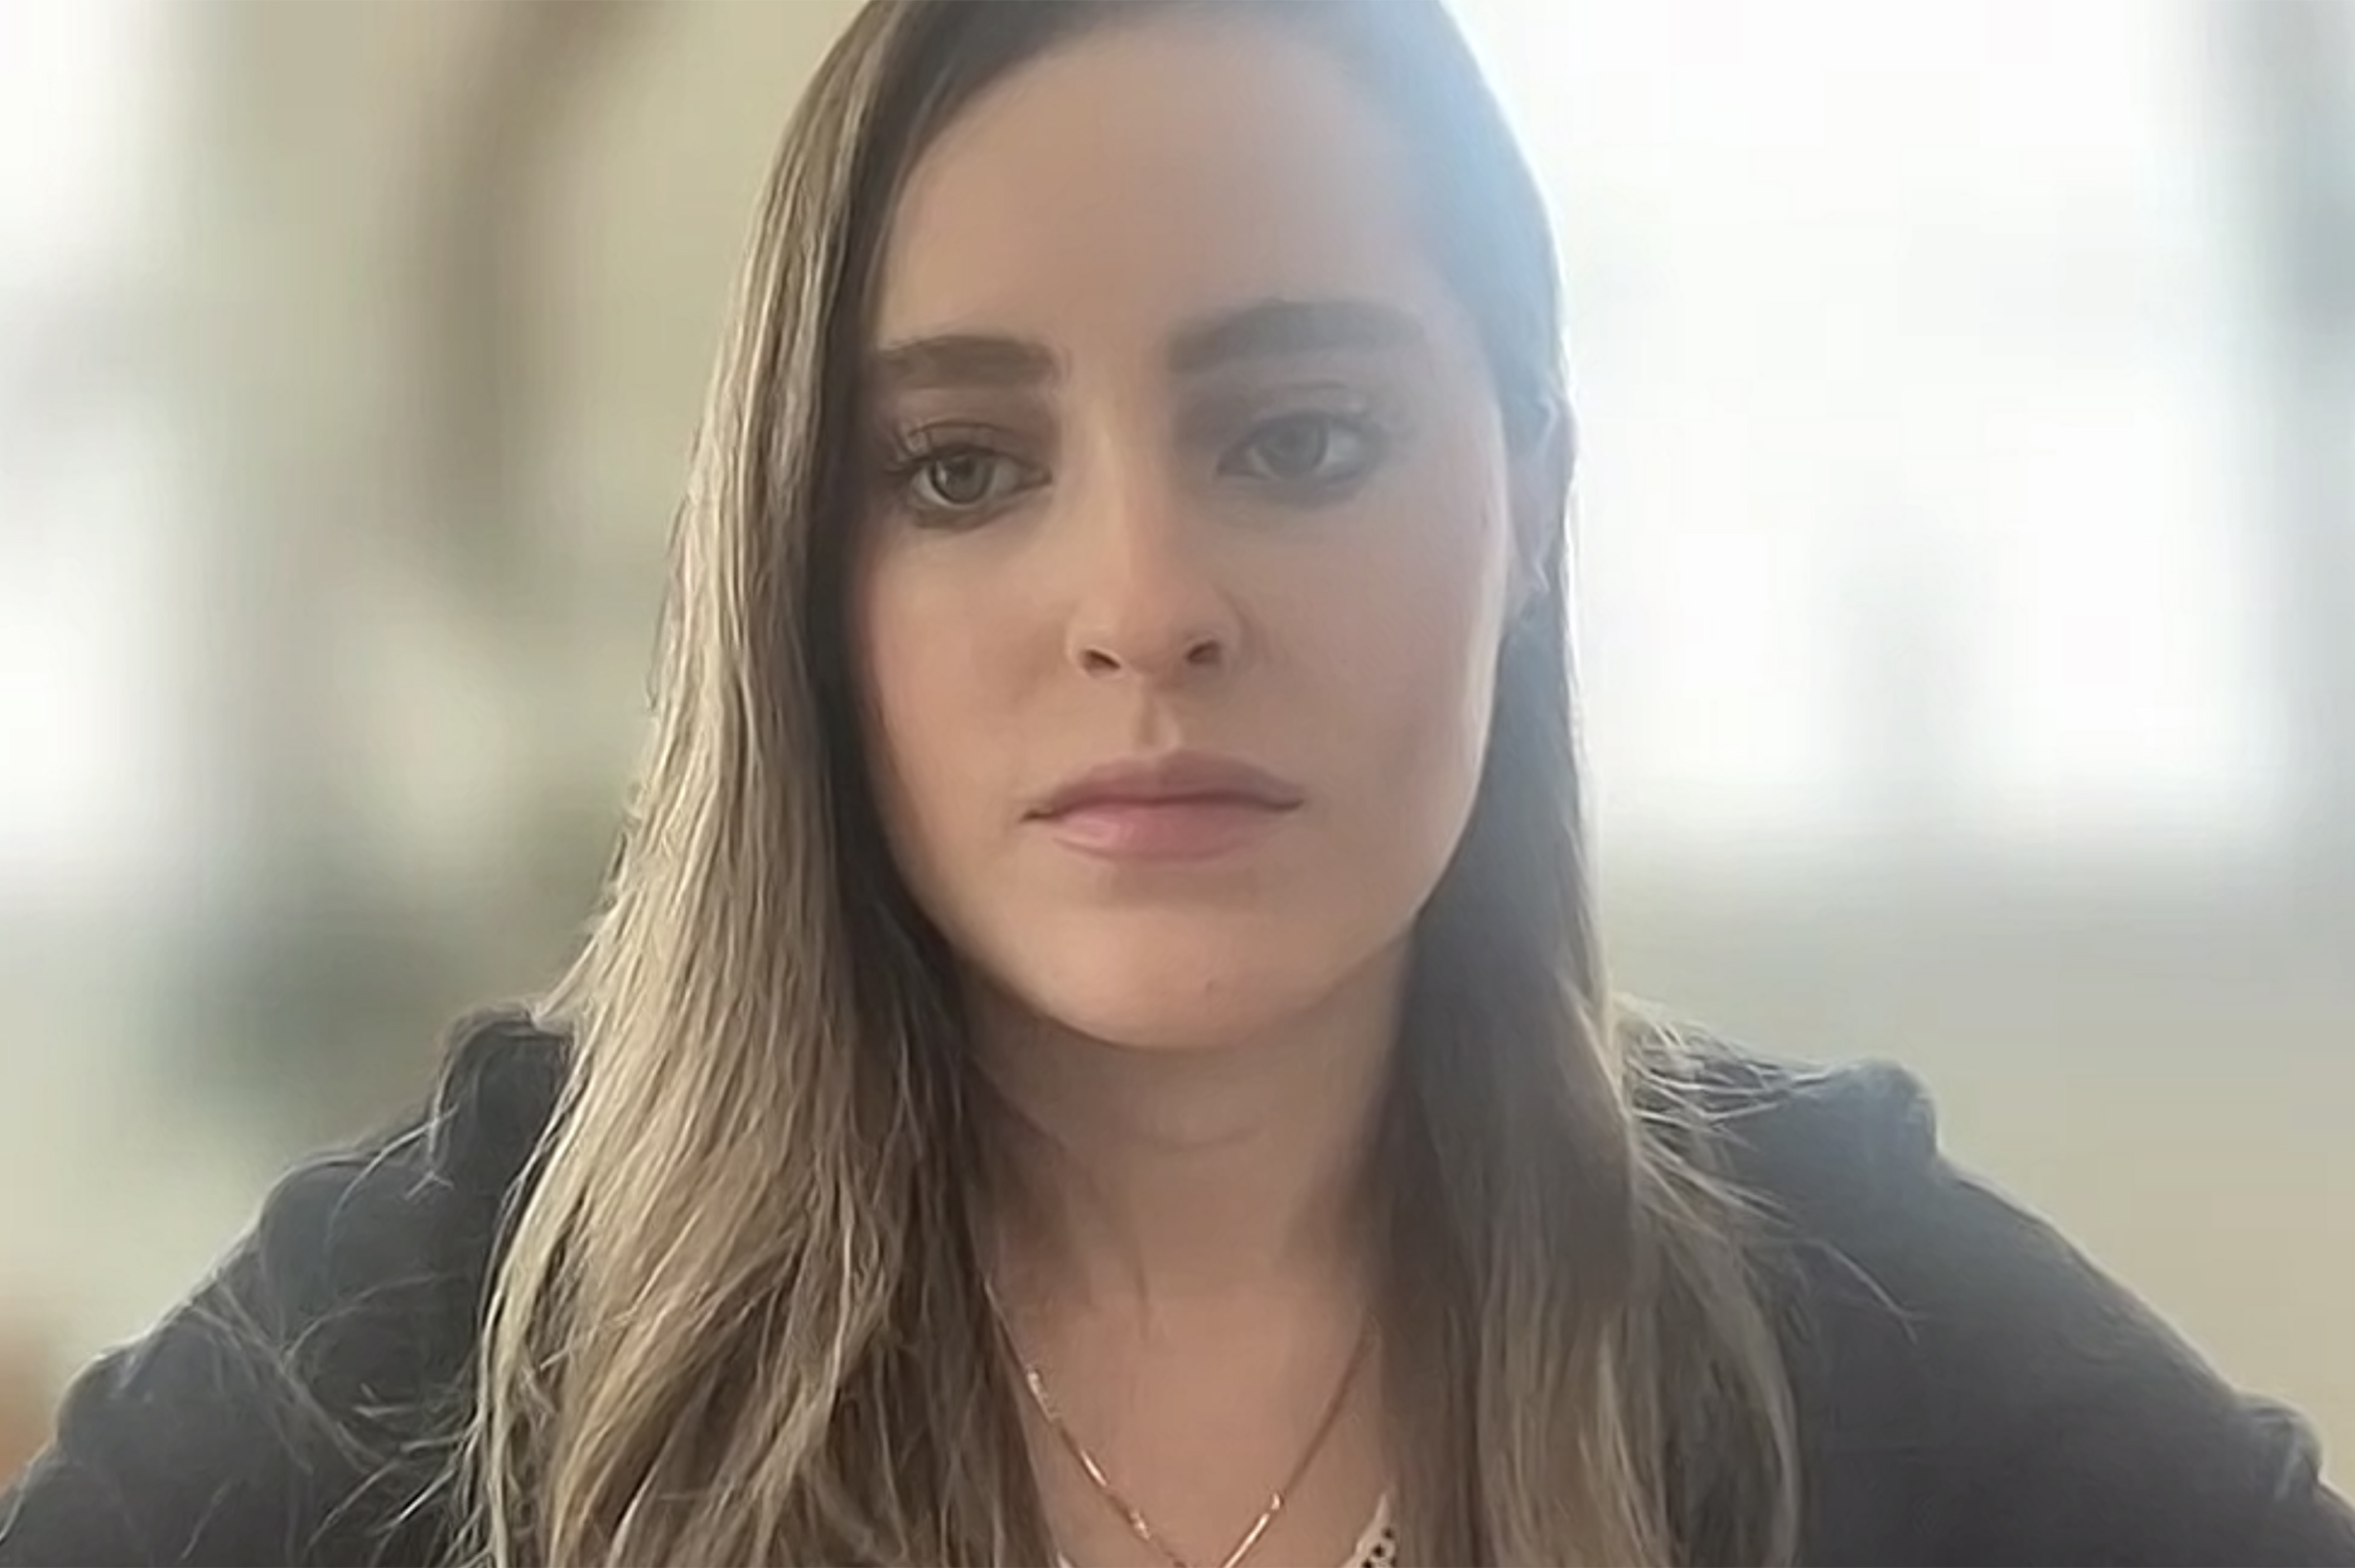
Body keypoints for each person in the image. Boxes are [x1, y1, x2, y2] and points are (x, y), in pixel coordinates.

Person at [4, 1, 2351, 1564]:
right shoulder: (455, 1312)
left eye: (1298, 438)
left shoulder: (1827, 1298)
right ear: (790, 569)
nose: (1142, 603)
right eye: (958, 467)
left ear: (1531, 507)